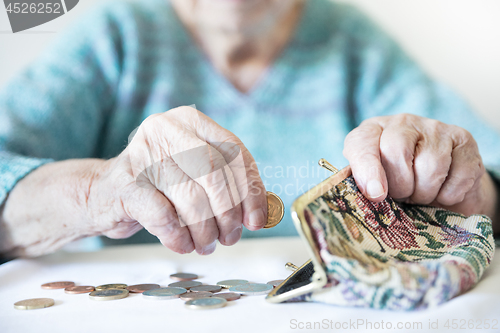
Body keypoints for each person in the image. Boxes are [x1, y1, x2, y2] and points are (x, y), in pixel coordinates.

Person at [0, 0, 499, 261]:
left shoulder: (355, 45)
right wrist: (98, 193)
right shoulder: (116, 36)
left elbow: (488, 171)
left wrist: (466, 189)